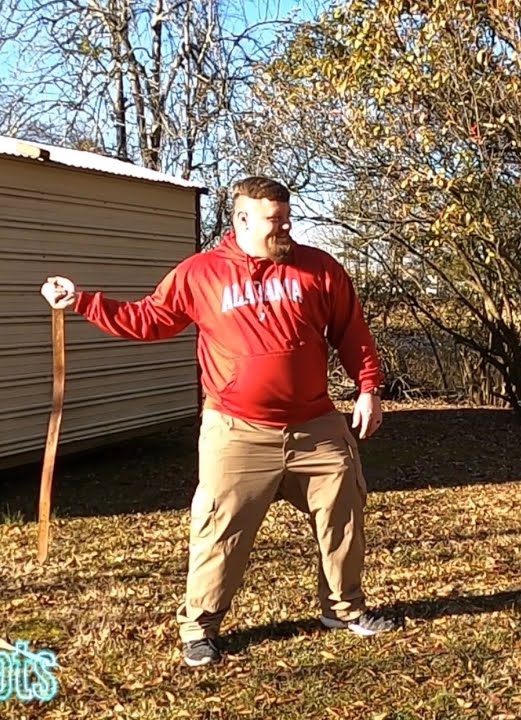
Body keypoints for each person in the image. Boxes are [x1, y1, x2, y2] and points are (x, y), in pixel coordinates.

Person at [40, 176, 401, 667]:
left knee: (344, 513)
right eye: (275, 221)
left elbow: (351, 330)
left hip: (317, 425)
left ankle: (343, 609)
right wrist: (83, 301)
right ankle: (201, 629)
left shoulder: (318, 268)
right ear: (242, 221)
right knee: (218, 529)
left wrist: (368, 389)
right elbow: (149, 319)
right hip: (237, 431)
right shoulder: (201, 274)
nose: (286, 227)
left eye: (287, 217)